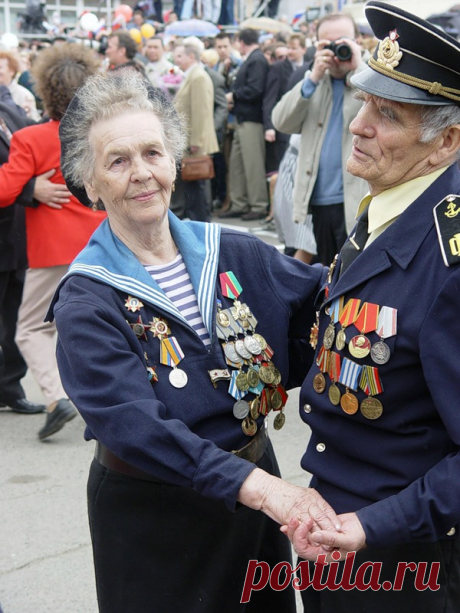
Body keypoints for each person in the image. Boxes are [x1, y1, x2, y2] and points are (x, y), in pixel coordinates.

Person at [49, 70, 340, 612]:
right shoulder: (86, 300)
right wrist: (264, 490)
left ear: (175, 160)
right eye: (117, 161)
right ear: (88, 183)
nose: (141, 174)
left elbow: (328, 314)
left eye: (153, 153)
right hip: (153, 517)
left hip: (255, 505)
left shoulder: (235, 251)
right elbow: (134, 427)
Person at [283, 2, 460, 611]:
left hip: (404, 555)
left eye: (388, 114)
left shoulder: (449, 258)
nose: (359, 125)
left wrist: (372, 527)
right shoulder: (390, 205)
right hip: (338, 530)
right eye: (364, 102)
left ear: (447, 142)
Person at [0, 44, 106, 440]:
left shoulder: (30, 138)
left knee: (30, 328)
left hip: (51, 249)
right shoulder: (98, 133)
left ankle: (55, 395)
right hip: (99, 240)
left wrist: (30, 184)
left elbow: (4, 191)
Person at [272, 13, 368, 265]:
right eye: (327, 44)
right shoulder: (312, 79)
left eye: (343, 42)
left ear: (357, 41)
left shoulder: (373, 75)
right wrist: (312, 77)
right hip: (319, 201)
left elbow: (386, 112)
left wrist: (358, 69)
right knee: (328, 276)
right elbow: (281, 122)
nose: (336, 50)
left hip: (360, 200)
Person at [219, 28, 269, 221]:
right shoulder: (253, 58)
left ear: (240, 41)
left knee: (252, 165)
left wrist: (234, 95)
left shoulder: (256, 59)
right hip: (243, 118)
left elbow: (255, 89)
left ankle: (258, 204)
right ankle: (239, 203)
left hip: (251, 119)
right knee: (238, 165)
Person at [172, 44, 219, 222]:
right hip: (190, 140)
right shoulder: (192, 75)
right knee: (193, 184)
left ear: (191, 56)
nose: (177, 60)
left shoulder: (198, 76)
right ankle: (197, 219)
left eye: (179, 56)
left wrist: (196, 140)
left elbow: (201, 111)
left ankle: (202, 221)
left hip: (195, 142)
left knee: (198, 184)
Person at [0, 51, 40, 121]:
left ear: (11, 71)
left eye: (0, 67)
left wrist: (26, 115)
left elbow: (35, 122)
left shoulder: (24, 95)